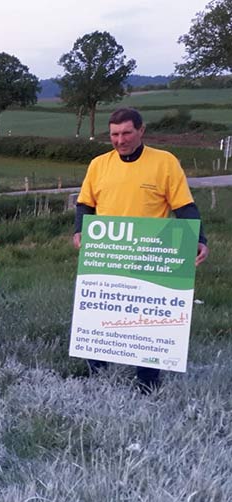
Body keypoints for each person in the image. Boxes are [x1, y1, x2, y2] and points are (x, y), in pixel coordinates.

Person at [74, 107, 208, 394]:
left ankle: (147, 382)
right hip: (107, 253)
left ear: (141, 131)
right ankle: (97, 374)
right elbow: (85, 203)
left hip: (150, 254)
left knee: (146, 320)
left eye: (126, 133)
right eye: (114, 134)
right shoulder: (98, 164)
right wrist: (79, 230)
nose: (120, 140)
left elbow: (184, 206)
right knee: (100, 314)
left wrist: (199, 238)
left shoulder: (165, 162)